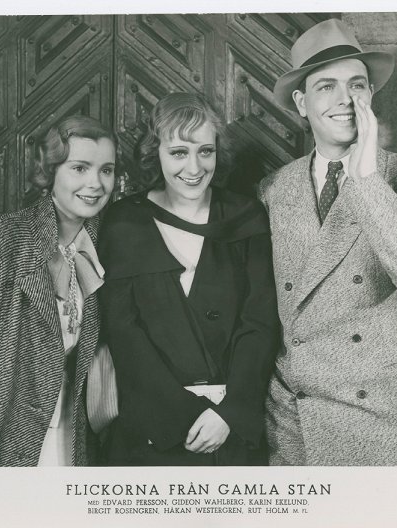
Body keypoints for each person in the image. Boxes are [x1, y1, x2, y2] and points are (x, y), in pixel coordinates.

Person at [260, 19, 397, 465]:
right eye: (326, 86)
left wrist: (365, 180)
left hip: (376, 413)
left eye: (357, 84)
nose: (345, 99)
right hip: (294, 413)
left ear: (370, 94)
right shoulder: (273, 188)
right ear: (301, 103)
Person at [99, 92, 278, 466]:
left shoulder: (246, 216)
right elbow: (124, 333)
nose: (194, 167)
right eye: (179, 152)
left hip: (231, 429)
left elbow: (259, 322)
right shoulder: (124, 222)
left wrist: (228, 413)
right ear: (155, 154)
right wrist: (184, 415)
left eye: (205, 151)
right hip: (154, 429)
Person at [0, 116, 117, 466]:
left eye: (106, 170)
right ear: (50, 171)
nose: (95, 183)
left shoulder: (113, 243)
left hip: (79, 445)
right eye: (80, 168)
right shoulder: (2, 238)